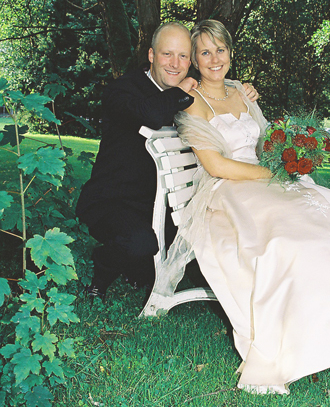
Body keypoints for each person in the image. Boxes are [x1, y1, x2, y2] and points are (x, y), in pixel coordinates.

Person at [168, 19, 330, 404]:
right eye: (204, 52)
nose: (214, 58)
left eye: (220, 49)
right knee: (290, 241)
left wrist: (287, 158)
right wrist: (270, 174)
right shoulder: (190, 103)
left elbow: (266, 143)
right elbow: (217, 165)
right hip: (233, 190)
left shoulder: (243, 92)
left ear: (231, 53)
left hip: (269, 181)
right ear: (194, 59)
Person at [76, 21, 259, 299]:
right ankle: (100, 272)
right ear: (151, 55)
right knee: (139, 244)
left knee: (172, 261)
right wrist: (182, 89)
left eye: (183, 56)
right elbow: (150, 113)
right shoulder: (122, 89)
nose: (175, 63)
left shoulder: (187, 95)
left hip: (163, 203)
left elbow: (217, 103)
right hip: (114, 200)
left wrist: (243, 91)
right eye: (167, 54)